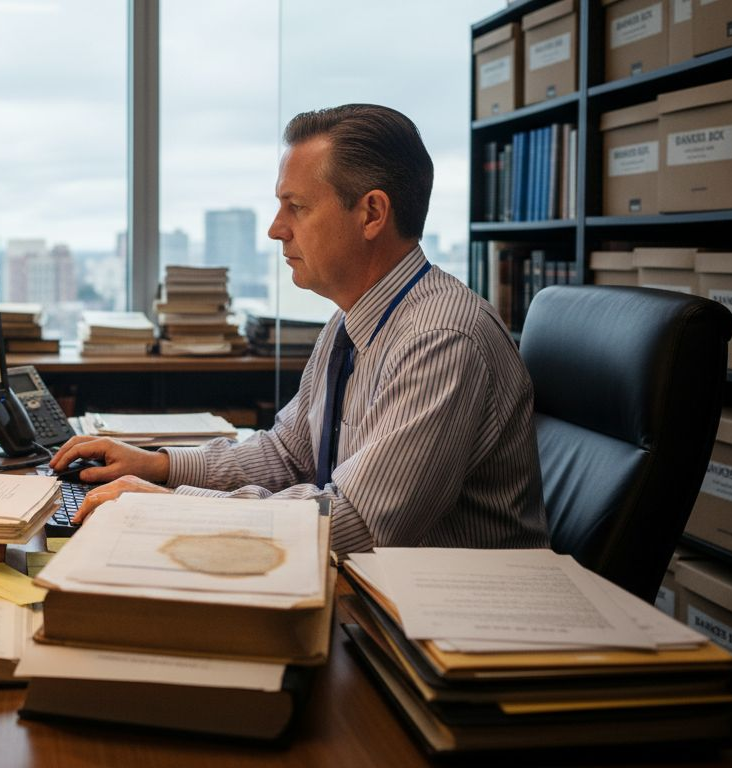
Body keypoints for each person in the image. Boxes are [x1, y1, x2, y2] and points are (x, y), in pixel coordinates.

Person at [50, 104, 549, 555]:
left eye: (298, 207)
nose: (275, 228)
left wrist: (166, 504)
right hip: (381, 590)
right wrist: (158, 465)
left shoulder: (441, 338)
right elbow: (287, 453)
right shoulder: (350, 321)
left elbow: (358, 524)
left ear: (371, 213)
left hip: (453, 620)